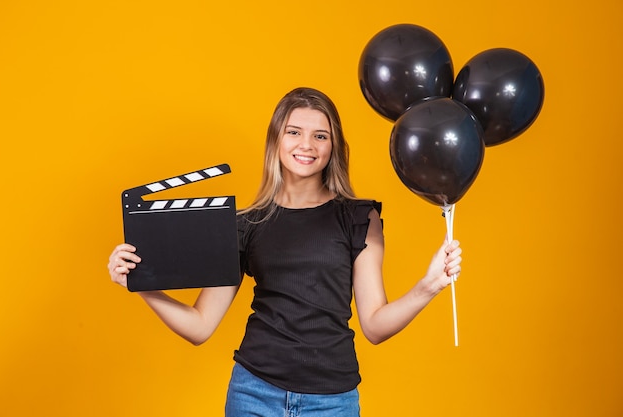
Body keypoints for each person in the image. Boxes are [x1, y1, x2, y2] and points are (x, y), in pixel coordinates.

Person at [108, 87, 462, 417]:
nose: (306, 144)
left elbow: (375, 325)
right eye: (294, 132)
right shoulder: (246, 224)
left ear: (333, 146)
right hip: (253, 393)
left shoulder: (358, 217)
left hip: (332, 402)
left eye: (320, 136)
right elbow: (200, 327)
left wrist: (428, 286)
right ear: (276, 140)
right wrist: (142, 285)